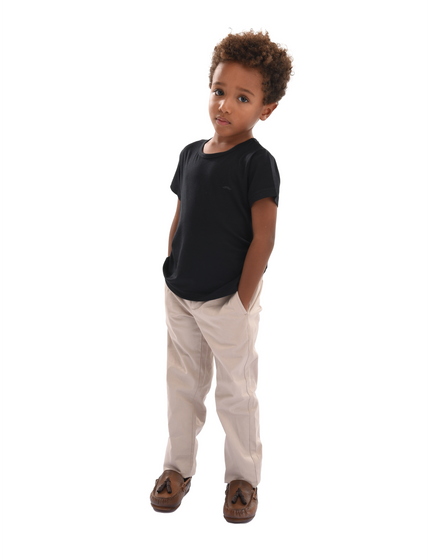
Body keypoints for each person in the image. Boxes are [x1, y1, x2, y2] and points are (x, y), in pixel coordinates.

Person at [150, 29, 293, 523]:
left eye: (242, 97)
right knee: (182, 384)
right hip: (182, 293)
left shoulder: (258, 163)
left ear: (265, 108)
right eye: (218, 91)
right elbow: (182, 214)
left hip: (227, 299)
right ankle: (177, 468)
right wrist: (170, 267)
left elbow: (264, 239)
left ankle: (242, 478)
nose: (225, 105)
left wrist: (241, 299)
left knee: (236, 389)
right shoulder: (191, 153)